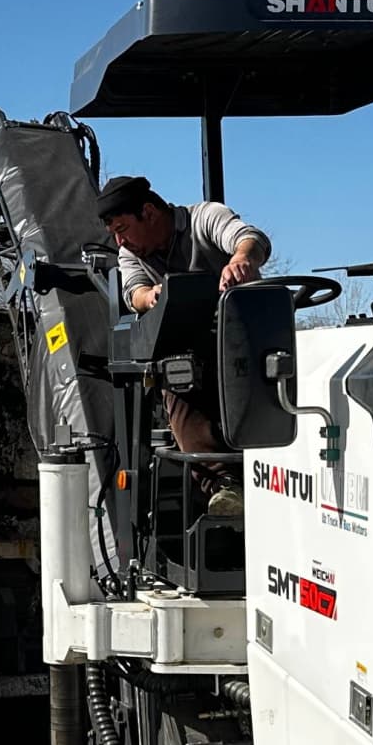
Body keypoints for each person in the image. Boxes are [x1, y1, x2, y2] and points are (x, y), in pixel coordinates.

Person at [98, 175, 272, 516]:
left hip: (246, 345)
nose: (120, 240)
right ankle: (223, 487)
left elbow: (250, 238)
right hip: (191, 356)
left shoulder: (204, 219)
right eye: (114, 233)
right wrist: (152, 296)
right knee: (176, 376)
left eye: (123, 228)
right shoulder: (130, 254)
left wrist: (241, 260)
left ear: (148, 212)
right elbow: (133, 291)